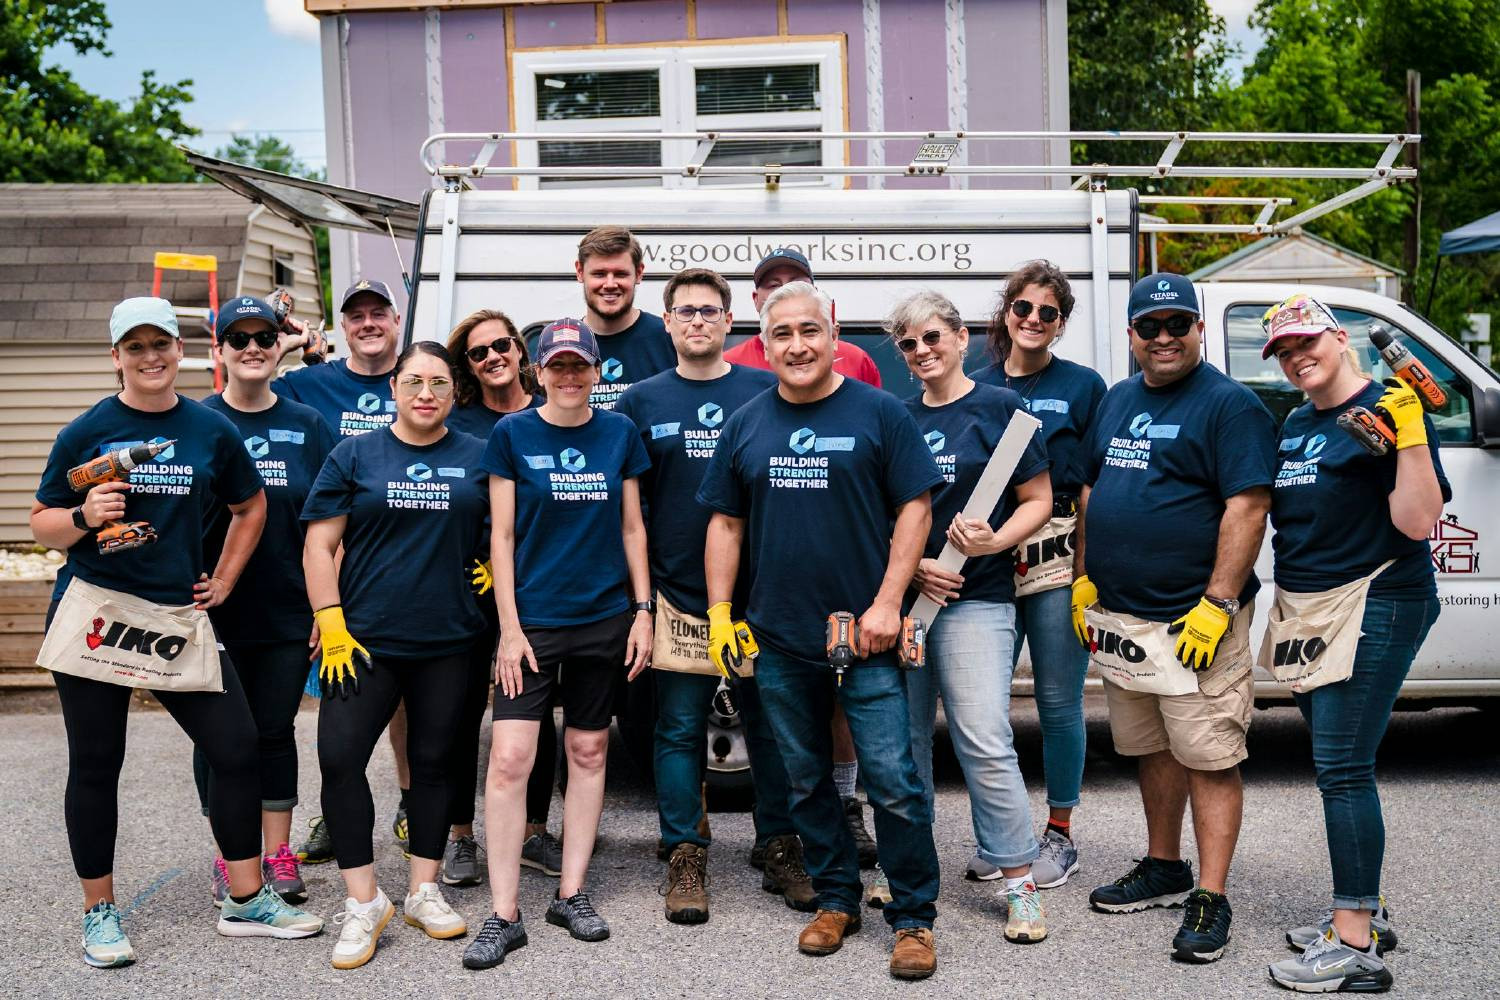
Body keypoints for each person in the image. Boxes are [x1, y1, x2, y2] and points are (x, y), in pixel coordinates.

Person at [32, 296, 324, 969]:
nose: (151, 357)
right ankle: (99, 912)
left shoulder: (208, 428)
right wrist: (81, 514)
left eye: (160, 343)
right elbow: (40, 519)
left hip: (176, 615)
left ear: (179, 349)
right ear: (117, 358)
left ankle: (246, 899)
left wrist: (222, 578)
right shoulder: (88, 431)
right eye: (135, 348)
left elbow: (248, 506)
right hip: (98, 613)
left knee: (238, 746)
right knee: (97, 763)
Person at [699, 281, 946, 980]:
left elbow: (916, 508)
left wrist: (889, 602)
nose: (798, 345)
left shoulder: (878, 412)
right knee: (805, 781)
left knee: (894, 781)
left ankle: (914, 917)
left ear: (832, 334)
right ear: (765, 341)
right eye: (783, 334)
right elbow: (724, 522)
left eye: (810, 330)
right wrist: (722, 612)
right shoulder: (746, 421)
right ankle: (836, 900)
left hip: (866, 636)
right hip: (778, 637)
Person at [1071, 272, 1276, 964]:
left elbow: (1247, 508)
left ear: (1198, 330)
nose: (1163, 338)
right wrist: (1082, 581)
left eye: (1176, 325)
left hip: (1194, 620)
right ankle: (1164, 865)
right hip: (1127, 621)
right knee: (1152, 747)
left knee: (1209, 756)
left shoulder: (1230, 406)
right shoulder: (1120, 398)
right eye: (1149, 327)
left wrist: (1217, 605)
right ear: (1132, 335)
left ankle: (1211, 895)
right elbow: (1093, 489)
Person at [1256, 295, 1447, 993]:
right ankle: (1368, 907)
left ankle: (1356, 941)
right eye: (1283, 350)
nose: (1297, 356)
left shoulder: (1391, 405)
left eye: (1308, 340)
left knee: (1342, 767)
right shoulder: (1302, 421)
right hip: (1310, 614)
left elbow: (1418, 518)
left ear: (1340, 338)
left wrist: (1412, 432)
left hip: (1377, 602)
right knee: (1338, 761)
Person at [615, 267, 816, 924]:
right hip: (676, 594)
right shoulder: (640, 401)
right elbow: (630, 509)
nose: (697, 320)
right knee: (675, 729)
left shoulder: (766, 389)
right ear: (666, 322)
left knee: (770, 727)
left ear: (731, 322)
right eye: (684, 311)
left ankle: (780, 845)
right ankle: (684, 853)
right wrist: (640, 602)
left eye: (709, 310)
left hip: (763, 594)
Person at [464, 318, 653, 969]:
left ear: (595, 372)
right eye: (558, 365)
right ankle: (504, 912)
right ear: (537, 371)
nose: (569, 376)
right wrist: (509, 629)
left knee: (590, 749)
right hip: (535, 623)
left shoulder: (619, 434)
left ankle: (571, 894)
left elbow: (633, 529)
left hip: (605, 618)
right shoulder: (512, 433)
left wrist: (643, 610)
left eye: (580, 365)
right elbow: (502, 538)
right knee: (511, 759)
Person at [301, 341, 490, 970]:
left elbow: (508, 532)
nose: (426, 393)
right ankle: (364, 901)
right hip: (362, 643)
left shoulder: (480, 457)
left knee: (436, 765)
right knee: (339, 759)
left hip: (450, 639)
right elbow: (320, 545)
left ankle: (423, 890)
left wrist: (491, 564)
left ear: (454, 392)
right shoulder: (353, 454)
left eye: (439, 382)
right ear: (394, 389)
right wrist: (329, 620)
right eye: (413, 381)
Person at [892, 290, 1054, 943]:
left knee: (984, 738)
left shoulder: (1002, 409)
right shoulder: (895, 417)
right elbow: (882, 514)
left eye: (933, 336)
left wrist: (994, 540)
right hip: (905, 603)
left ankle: (1020, 885)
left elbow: (1038, 500)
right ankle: (904, 871)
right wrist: (910, 570)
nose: (923, 350)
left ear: (961, 338)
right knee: (901, 747)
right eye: (909, 343)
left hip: (977, 599)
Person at [726, 248, 883, 872]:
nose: (782, 294)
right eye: (770, 288)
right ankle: (786, 837)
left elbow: (873, 461)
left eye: (795, 286)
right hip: (767, 582)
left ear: (829, 319)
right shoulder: (743, 369)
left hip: (849, 588)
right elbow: (729, 507)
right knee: (778, 720)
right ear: (758, 313)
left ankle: (848, 810)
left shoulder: (858, 367)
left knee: (851, 716)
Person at [193, 297, 335, 907]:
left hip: (286, 608)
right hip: (208, 611)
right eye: (239, 337)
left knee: (275, 731)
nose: (252, 347)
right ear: (218, 350)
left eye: (264, 336)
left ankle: (277, 855)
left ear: (282, 344)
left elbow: (333, 522)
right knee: (221, 739)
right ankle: (233, 853)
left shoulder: (308, 424)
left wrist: (327, 607)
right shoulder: (194, 422)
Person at [972, 260, 1106, 888]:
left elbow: (1095, 487)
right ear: (1006, 313)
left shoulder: (1083, 387)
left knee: (1057, 702)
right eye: (1022, 308)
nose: (1032, 320)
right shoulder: (972, 384)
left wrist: (1087, 570)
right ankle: (1005, 838)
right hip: (989, 556)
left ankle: (1059, 834)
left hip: (1055, 553)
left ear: (1061, 323)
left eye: (1047, 312)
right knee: (985, 708)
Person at [273, 278, 412, 862]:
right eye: (356, 316)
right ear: (342, 325)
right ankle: (338, 812)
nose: (369, 323)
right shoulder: (311, 383)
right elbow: (247, 390)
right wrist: (283, 343)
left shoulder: (420, 377)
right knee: (340, 694)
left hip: (403, 561)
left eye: (378, 312)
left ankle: (409, 804)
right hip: (332, 564)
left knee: (404, 697)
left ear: (396, 318)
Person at [440, 309, 541, 888]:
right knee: (458, 717)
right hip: (469, 592)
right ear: (468, 367)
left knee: (533, 713)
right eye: (478, 353)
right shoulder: (462, 425)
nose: (493, 357)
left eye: (501, 344)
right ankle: (459, 835)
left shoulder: (553, 414)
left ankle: (533, 832)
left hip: (539, 591)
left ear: (520, 350)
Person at [723, 248, 884, 387]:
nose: (785, 291)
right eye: (774, 285)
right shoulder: (729, 364)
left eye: (797, 283)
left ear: (814, 292)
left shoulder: (855, 359)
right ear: (756, 299)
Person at [574, 225, 676, 410]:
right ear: (580, 272)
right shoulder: (565, 344)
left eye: (621, 274)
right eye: (599, 274)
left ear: (639, 273)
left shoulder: (669, 338)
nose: (610, 284)